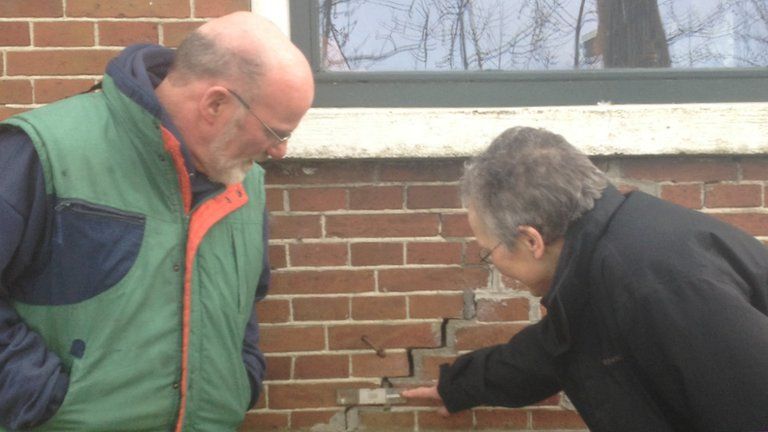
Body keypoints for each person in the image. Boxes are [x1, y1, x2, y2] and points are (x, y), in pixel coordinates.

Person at [0, 11, 313, 431]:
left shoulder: (245, 182)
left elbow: (244, 301)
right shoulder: (43, 152)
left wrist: (241, 379)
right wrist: (37, 396)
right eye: (276, 133)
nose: (280, 152)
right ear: (215, 103)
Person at [402, 127, 768, 431]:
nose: (493, 261)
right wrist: (460, 386)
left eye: (489, 250)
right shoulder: (597, 262)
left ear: (531, 241)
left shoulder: (655, 285)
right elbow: (551, 351)